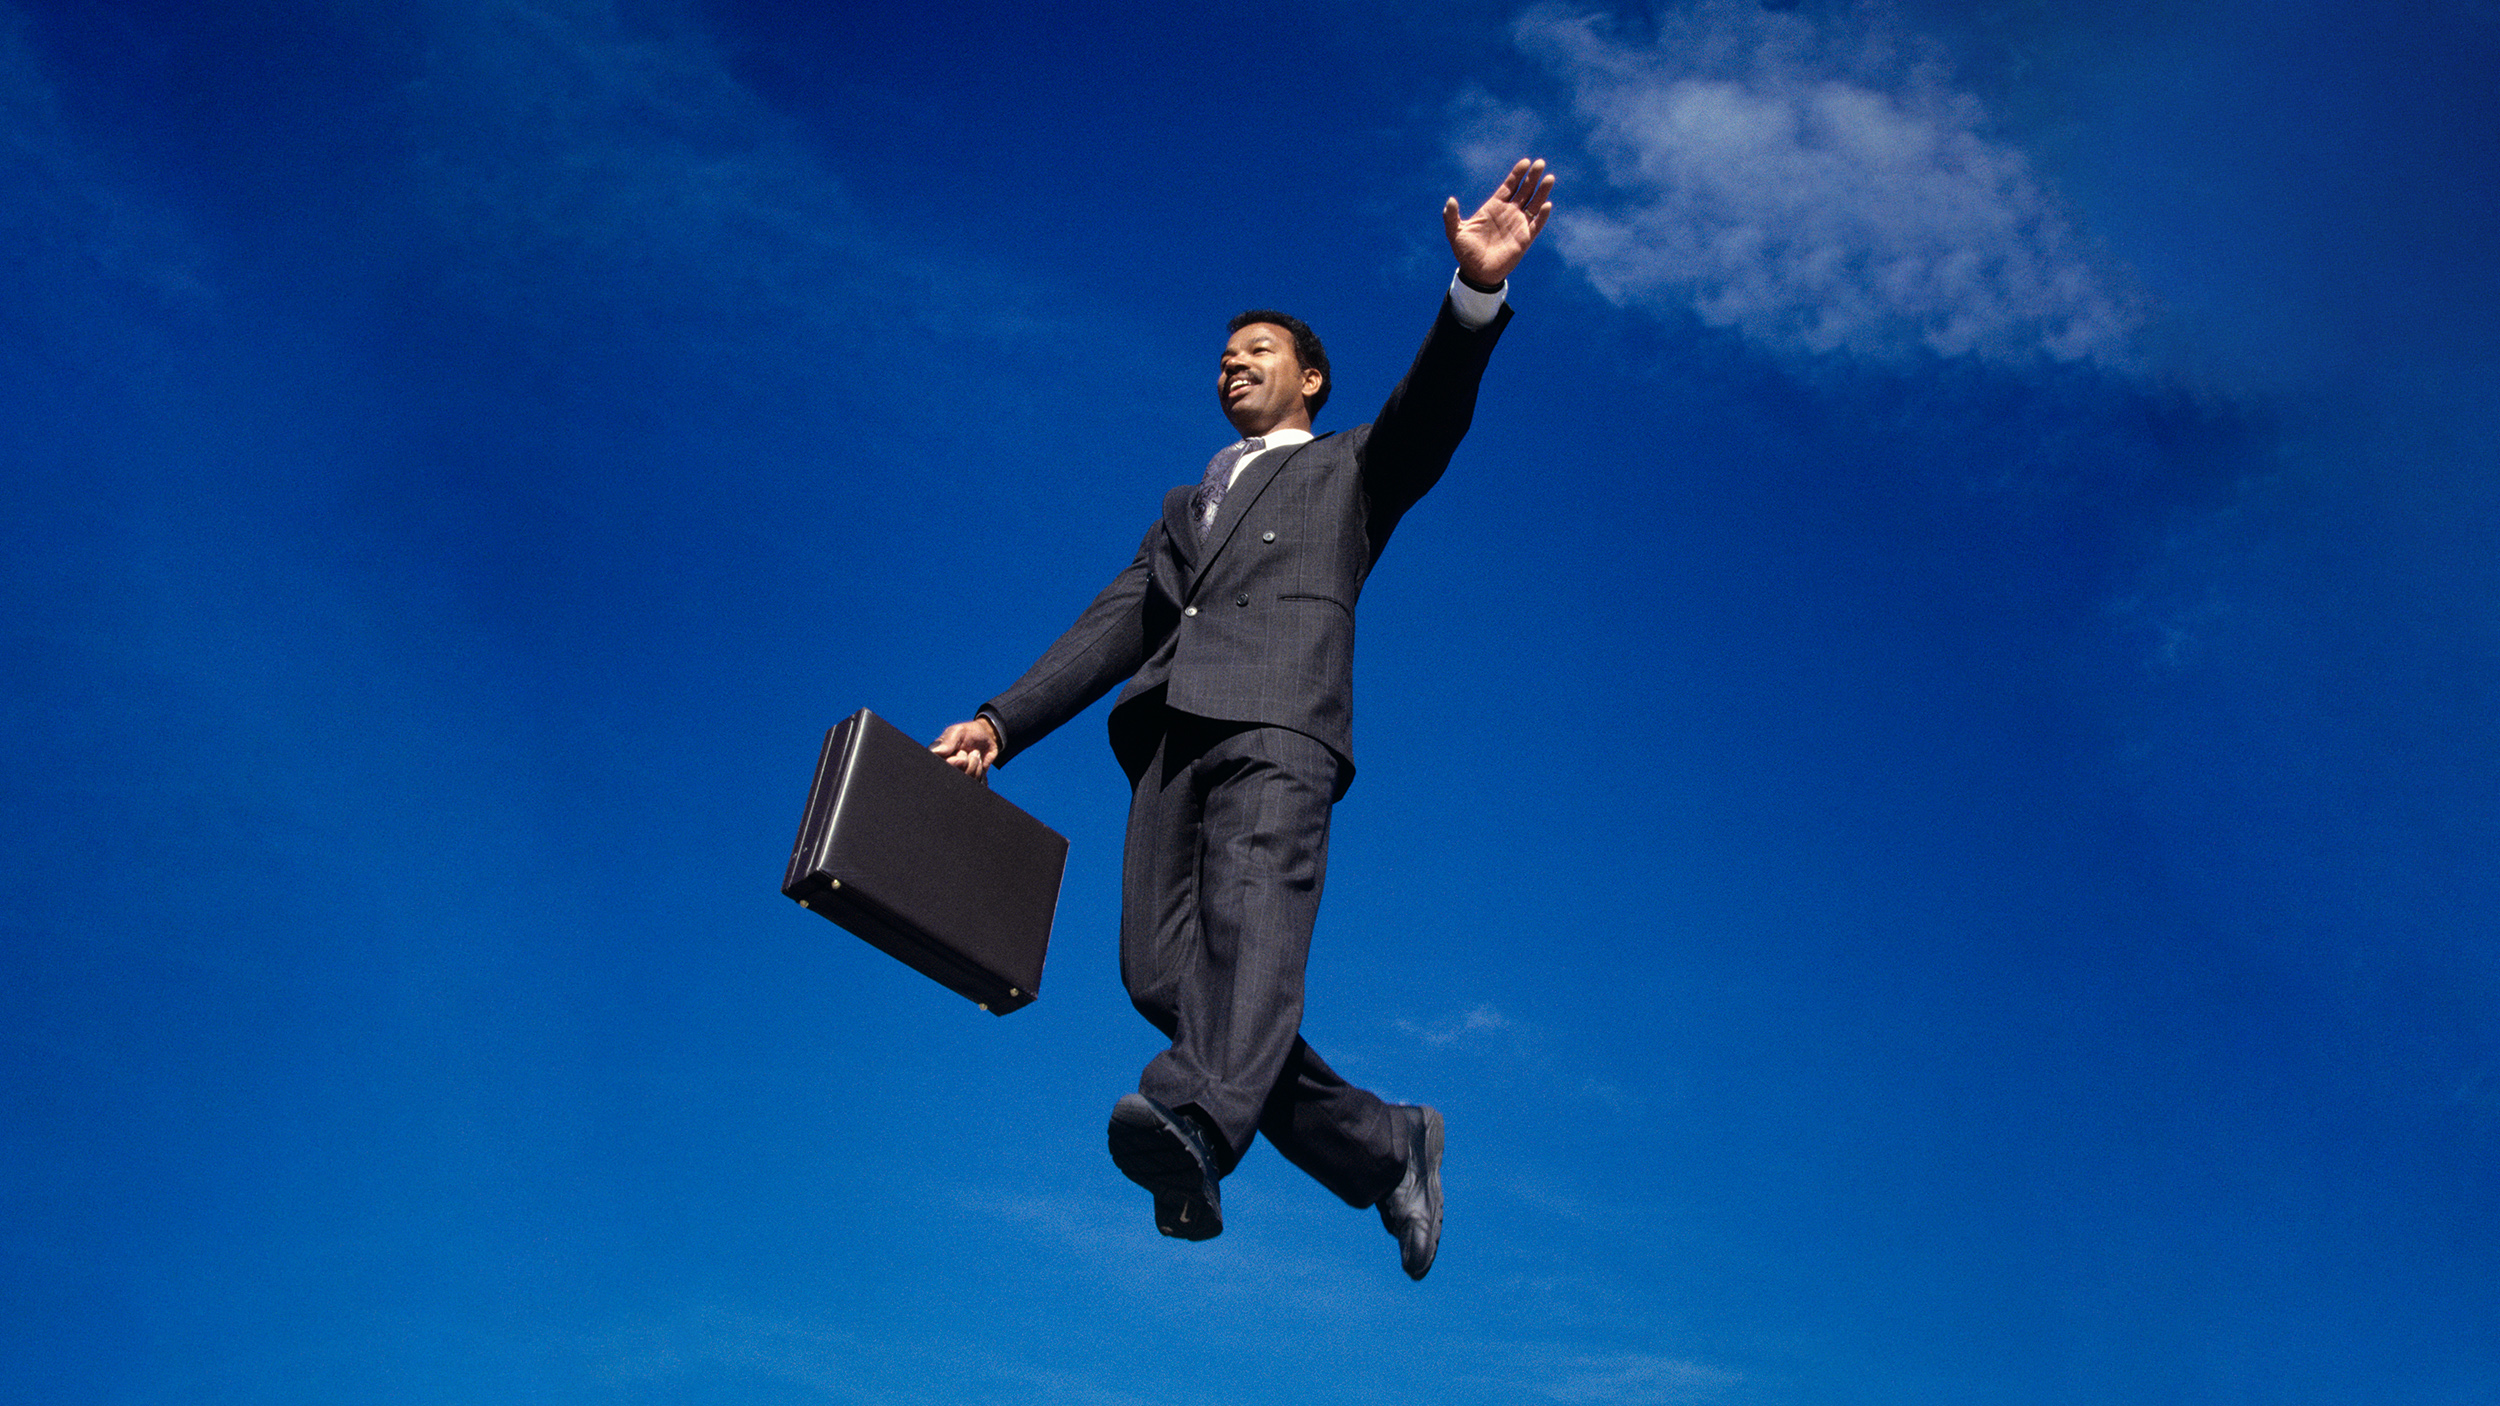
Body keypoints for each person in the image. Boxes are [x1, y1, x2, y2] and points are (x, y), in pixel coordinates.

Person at [931, 158, 1555, 1280]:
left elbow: (1430, 417)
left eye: (1258, 349)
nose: (1232, 361)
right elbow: (1112, 623)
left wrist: (1471, 300)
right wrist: (999, 722)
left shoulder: (1352, 466)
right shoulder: (1185, 506)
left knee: (1249, 941)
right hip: (1169, 740)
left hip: (1280, 726)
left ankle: (1195, 1125)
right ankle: (1383, 1142)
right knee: (1162, 973)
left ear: (1310, 378)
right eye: (1224, 354)